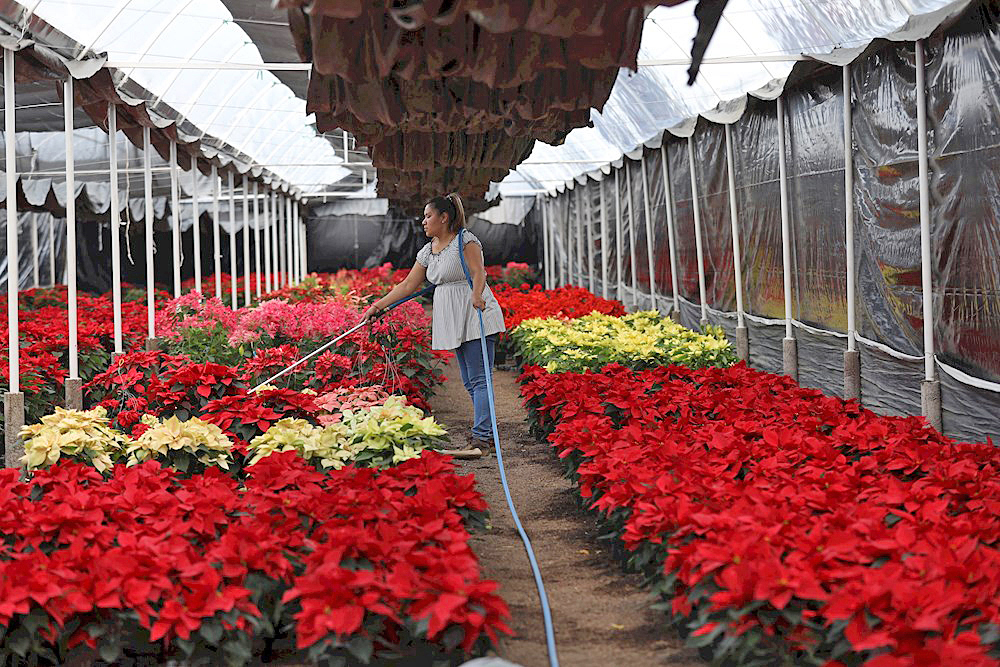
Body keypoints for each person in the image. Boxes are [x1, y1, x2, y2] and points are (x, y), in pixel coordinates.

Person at [362, 193, 506, 456]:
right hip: (452, 314)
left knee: (479, 379)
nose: (424, 221)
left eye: (428, 216)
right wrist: (377, 306)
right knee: (469, 381)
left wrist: (476, 295)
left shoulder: (466, 240)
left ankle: (482, 438)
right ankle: (485, 434)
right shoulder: (428, 251)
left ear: (444, 217)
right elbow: (407, 285)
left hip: (475, 312)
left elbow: (479, 273)